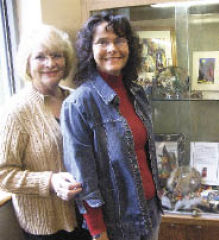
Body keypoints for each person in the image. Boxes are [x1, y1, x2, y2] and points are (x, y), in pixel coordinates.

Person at [61, 12, 162, 240]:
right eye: (102, 42)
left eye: (119, 40)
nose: (112, 48)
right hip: (117, 225)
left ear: (130, 46)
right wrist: (98, 233)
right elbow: (83, 178)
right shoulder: (78, 104)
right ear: (90, 49)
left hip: (151, 211)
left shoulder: (137, 92)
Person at [0, 25, 91, 240]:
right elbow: (3, 174)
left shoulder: (78, 99)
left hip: (88, 216)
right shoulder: (16, 111)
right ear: (28, 64)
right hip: (47, 226)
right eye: (40, 57)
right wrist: (50, 181)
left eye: (56, 56)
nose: (50, 63)